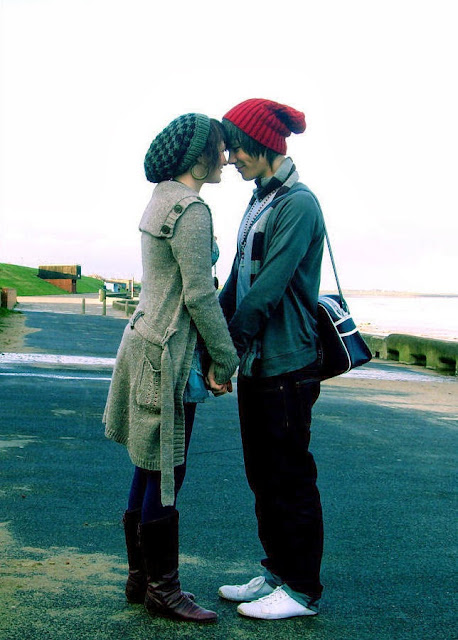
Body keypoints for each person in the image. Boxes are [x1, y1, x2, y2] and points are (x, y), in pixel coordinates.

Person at [103, 113, 239, 624]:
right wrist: (226, 358)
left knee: (148, 465)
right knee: (166, 470)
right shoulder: (192, 210)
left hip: (145, 340)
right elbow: (200, 296)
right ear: (198, 158)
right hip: (170, 355)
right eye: (219, 149)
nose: (225, 157)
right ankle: (164, 590)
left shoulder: (161, 198)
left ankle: (140, 578)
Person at [217, 99, 325, 620]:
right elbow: (238, 281)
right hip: (259, 365)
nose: (231, 157)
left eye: (237, 147)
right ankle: (278, 572)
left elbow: (267, 290)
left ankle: (302, 590)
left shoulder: (298, 204)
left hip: (287, 363)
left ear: (263, 143)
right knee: (262, 476)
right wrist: (215, 341)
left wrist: (226, 354)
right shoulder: (261, 198)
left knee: (290, 477)